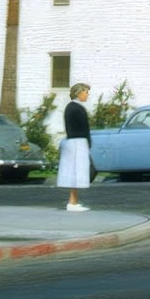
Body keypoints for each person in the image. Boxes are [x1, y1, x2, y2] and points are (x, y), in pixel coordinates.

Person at [59, 82, 92, 211]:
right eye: (86, 92)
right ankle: (72, 202)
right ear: (78, 93)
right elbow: (83, 128)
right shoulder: (75, 108)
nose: (87, 95)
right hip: (77, 142)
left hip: (76, 141)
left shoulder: (73, 107)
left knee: (76, 170)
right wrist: (87, 141)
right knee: (76, 170)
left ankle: (74, 201)